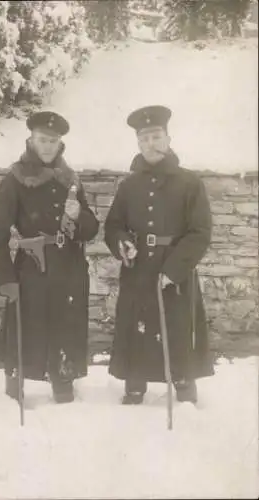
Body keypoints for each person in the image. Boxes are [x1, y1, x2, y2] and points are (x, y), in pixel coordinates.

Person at [0, 111, 99, 404]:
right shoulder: (15, 179)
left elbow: (91, 228)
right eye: (42, 140)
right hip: (31, 266)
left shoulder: (70, 179)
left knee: (65, 322)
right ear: (31, 140)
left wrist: (79, 217)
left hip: (68, 265)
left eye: (53, 140)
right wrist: (5, 278)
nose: (48, 146)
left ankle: (63, 377)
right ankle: (15, 379)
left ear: (60, 143)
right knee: (26, 323)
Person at [104, 105, 214, 405]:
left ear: (168, 138)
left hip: (174, 270)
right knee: (137, 325)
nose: (150, 144)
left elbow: (200, 231)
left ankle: (183, 384)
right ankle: (135, 382)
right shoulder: (128, 185)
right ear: (138, 143)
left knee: (178, 326)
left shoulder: (189, 182)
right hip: (138, 269)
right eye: (144, 138)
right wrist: (122, 243)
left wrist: (175, 268)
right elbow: (113, 226)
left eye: (155, 136)